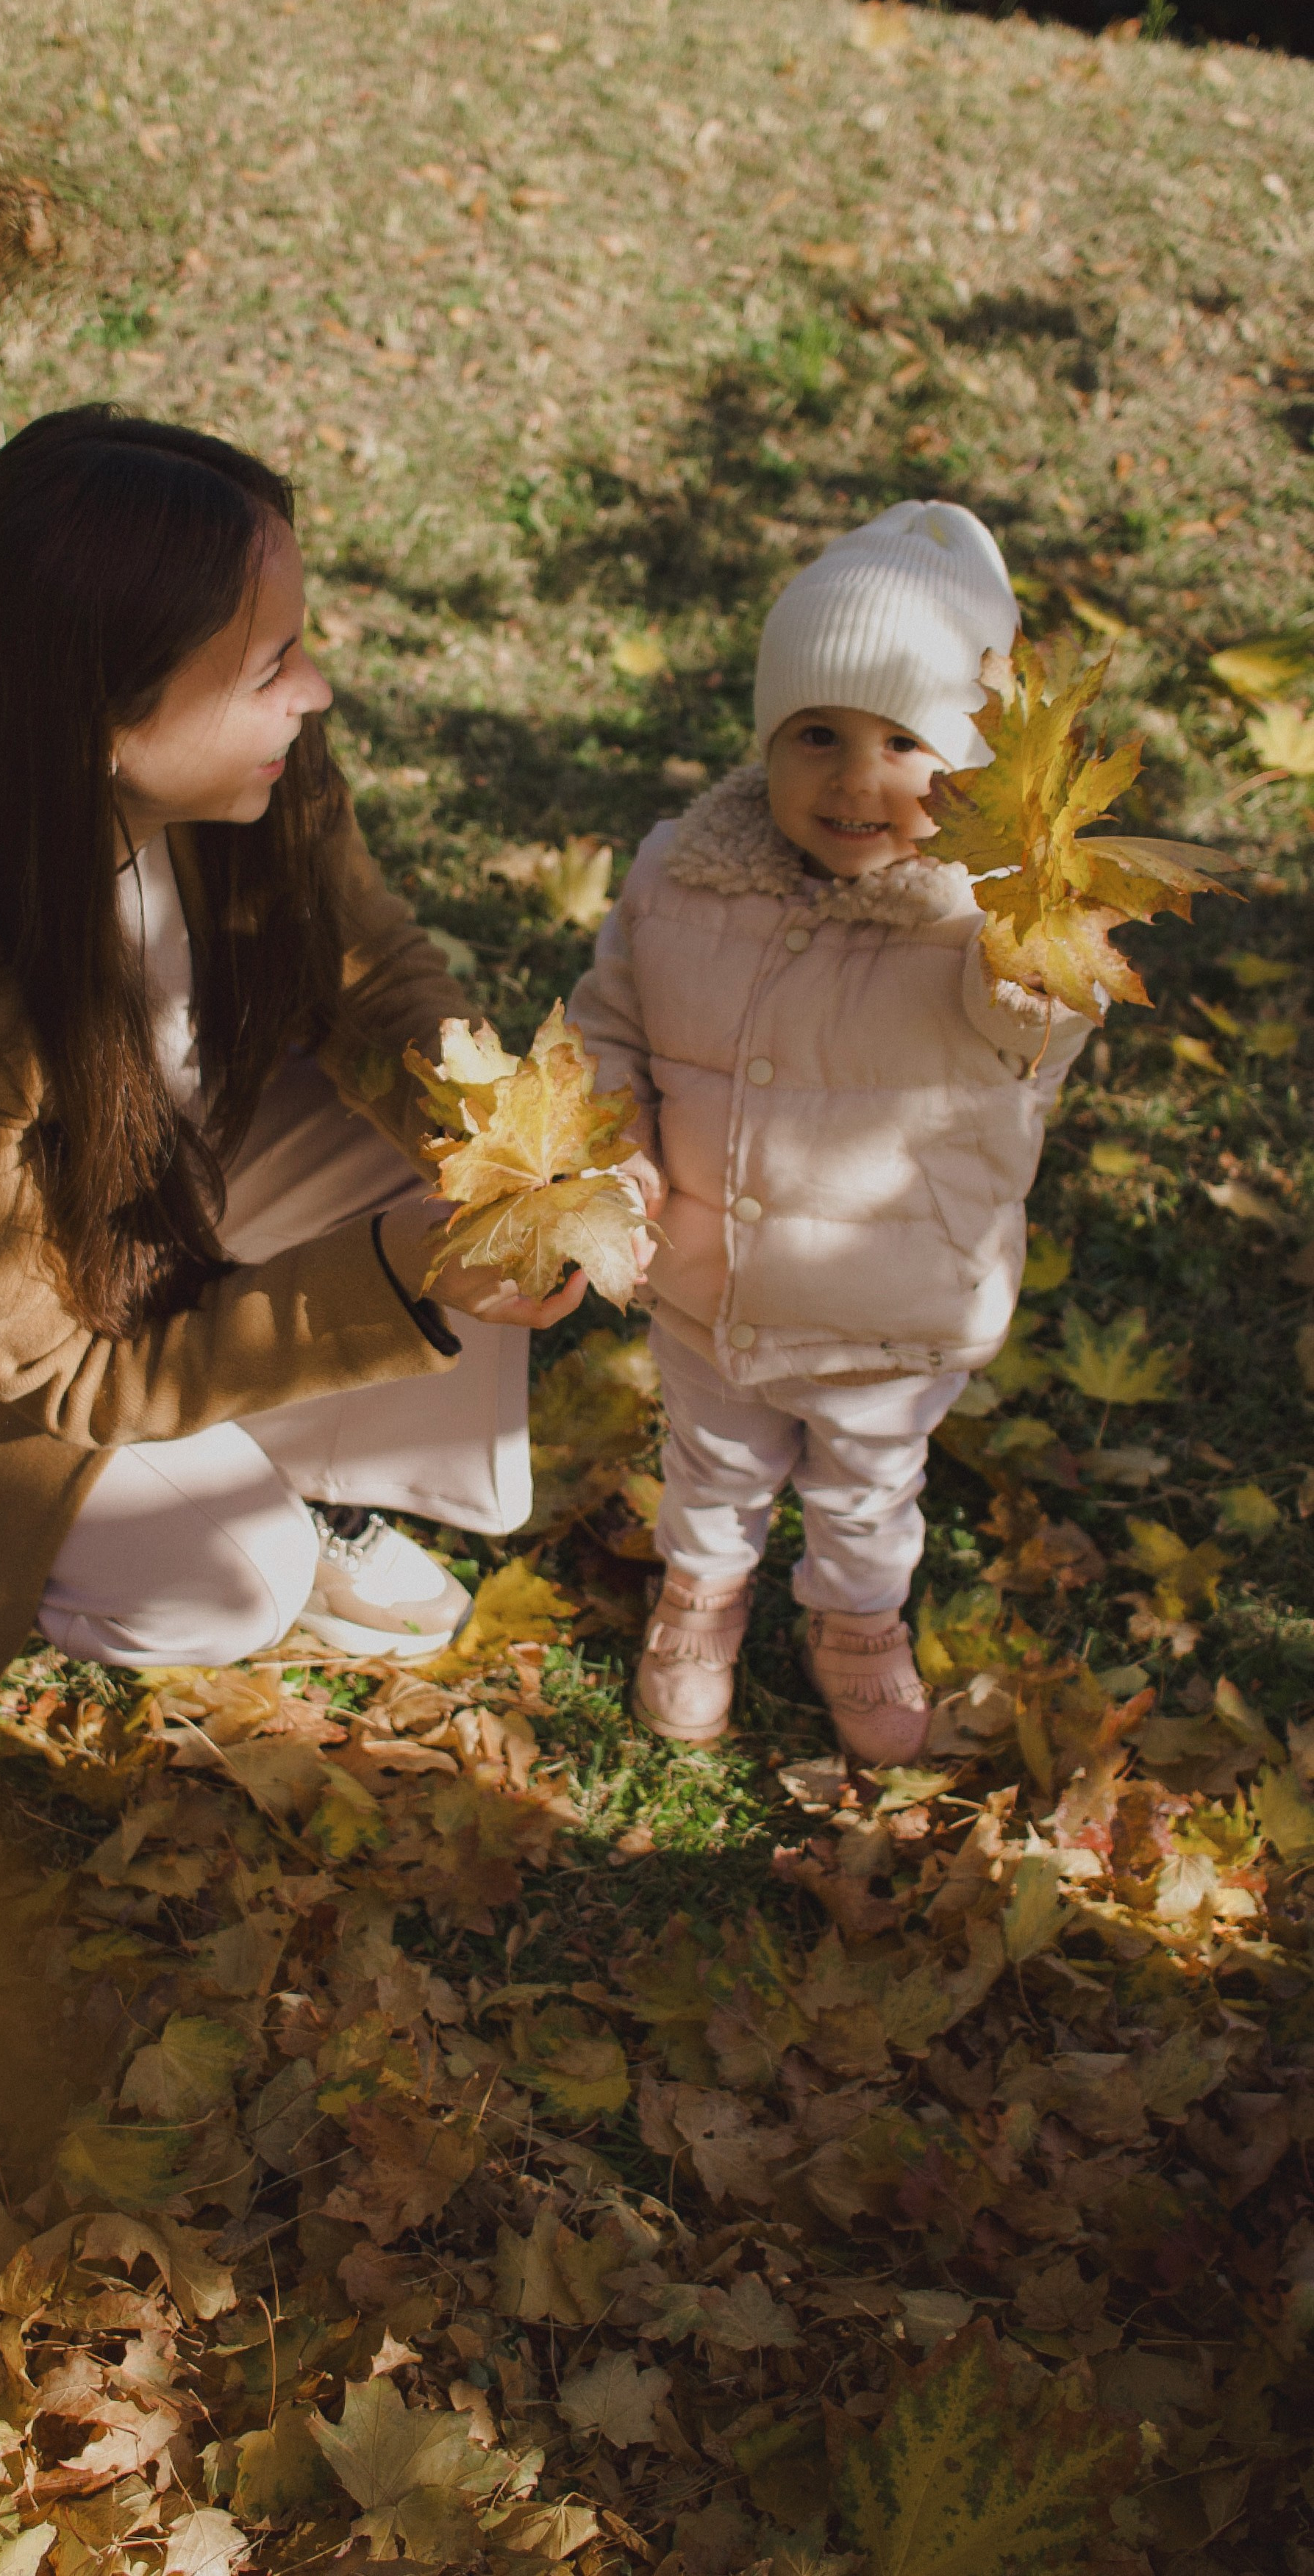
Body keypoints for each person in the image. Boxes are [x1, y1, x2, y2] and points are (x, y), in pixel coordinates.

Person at [0, 407, 595, 1716]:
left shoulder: (240, 774)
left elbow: (368, 969)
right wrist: (407, 1271)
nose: (313, 691)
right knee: (231, 1581)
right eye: (272, 665)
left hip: (153, 1191)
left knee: (443, 1156)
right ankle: (157, 1521)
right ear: (103, 712)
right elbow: (62, 1369)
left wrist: (533, 1153)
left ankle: (255, 1440)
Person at [569, 501, 1094, 1764]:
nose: (856, 779)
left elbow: (1036, 1027)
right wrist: (615, 1131)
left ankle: (855, 1620)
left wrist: (1039, 957)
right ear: (765, 743)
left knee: (865, 1491)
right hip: (706, 1284)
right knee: (710, 1466)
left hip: (889, 1305)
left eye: (906, 743)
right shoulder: (679, 876)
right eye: (816, 735)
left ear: (972, 768)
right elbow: (607, 1020)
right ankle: (702, 1594)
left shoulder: (983, 923)